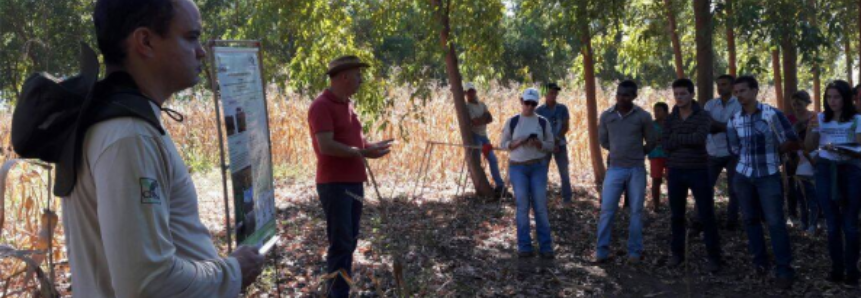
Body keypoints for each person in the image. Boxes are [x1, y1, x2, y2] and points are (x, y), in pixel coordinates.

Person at [61, 1, 266, 297]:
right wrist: (233, 271)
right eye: (191, 37)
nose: (201, 51)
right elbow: (147, 283)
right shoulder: (129, 136)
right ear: (145, 41)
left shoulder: (119, 120)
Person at [308, 56, 393, 298]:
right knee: (341, 243)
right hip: (335, 184)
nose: (361, 79)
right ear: (343, 76)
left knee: (350, 240)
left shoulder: (347, 104)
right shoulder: (321, 106)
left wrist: (370, 148)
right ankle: (336, 293)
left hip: (354, 182)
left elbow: (354, 142)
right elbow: (326, 145)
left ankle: (340, 290)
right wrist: (361, 152)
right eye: (357, 74)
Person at [727, 76, 800, 289]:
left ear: (755, 91)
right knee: (750, 220)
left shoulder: (771, 114)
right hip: (743, 175)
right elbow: (733, 146)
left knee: (775, 222)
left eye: (743, 91)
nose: (739, 95)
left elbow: (791, 138)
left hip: (768, 174)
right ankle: (759, 262)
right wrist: (745, 160)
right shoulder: (735, 118)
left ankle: (784, 268)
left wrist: (775, 153)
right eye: (736, 92)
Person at [805, 80, 861, 286]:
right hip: (826, 171)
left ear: (846, 98)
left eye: (836, 97)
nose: (832, 101)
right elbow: (809, 146)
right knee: (832, 224)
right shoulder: (820, 118)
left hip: (850, 170)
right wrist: (812, 130)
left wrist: (842, 148)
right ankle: (836, 268)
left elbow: (858, 143)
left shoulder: (856, 119)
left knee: (850, 224)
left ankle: (852, 270)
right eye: (829, 97)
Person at [663, 78, 722, 272]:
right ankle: (677, 254)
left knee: (706, 214)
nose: (679, 98)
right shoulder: (670, 118)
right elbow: (665, 143)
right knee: (676, 216)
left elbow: (698, 139)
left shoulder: (704, 116)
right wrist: (681, 140)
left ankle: (714, 257)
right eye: (676, 94)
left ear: (691, 94)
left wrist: (677, 138)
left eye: (683, 94)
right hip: (676, 171)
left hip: (699, 170)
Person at [595, 80, 656, 263]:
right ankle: (601, 251)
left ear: (634, 96)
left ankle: (634, 251)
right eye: (619, 94)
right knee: (607, 210)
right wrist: (617, 152)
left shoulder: (643, 117)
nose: (622, 98)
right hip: (615, 169)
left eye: (626, 95)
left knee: (636, 211)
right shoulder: (607, 116)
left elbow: (652, 141)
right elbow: (603, 141)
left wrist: (639, 153)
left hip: (636, 169)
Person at [500, 88, 556, 259]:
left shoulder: (543, 122)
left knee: (540, 207)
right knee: (522, 206)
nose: (530, 107)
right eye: (527, 103)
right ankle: (524, 246)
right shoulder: (512, 121)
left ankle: (545, 246)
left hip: (538, 166)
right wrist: (518, 142)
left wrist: (540, 144)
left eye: (533, 104)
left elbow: (551, 144)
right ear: (521, 101)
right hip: (518, 167)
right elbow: (503, 144)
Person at [703, 74, 742, 231]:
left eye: (724, 84)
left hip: (733, 152)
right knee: (705, 187)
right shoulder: (710, 104)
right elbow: (706, 125)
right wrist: (725, 127)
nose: (720, 87)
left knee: (734, 189)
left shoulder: (739, 105)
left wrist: (718, 126)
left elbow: (737, 127)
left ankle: (732, 221)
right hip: (712, 151)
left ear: (732, 86)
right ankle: (704, 219)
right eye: (718, 84)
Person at [787, 91, 819, 234]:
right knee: (796, 192)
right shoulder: (789, 118)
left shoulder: (814, 117)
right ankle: (800, 219)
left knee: (811, 192)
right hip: (793, 158)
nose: (796, 107)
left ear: (807, 103)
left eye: (799, 104)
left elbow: (818, 138)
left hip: (810, 158)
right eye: (794, 104)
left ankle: (814, 222)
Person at [465, 82, 506, 193]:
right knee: (477, 162)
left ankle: (500, 185)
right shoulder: (467, 107)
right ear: (465, 93)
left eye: (472, 91)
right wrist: (484, 117)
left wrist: (481, 119)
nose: (471, 93)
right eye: (469, 92)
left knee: (493, 159)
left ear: (475, 91)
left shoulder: (482, 104)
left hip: (484, 137)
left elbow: (490, 118)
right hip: (475, 136)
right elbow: (476, 121)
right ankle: (480, 187)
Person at [536, 83, 573, 203]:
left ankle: (567, 198)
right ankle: (541, 197)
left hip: (560, 145)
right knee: (542, 172)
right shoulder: (539, 111)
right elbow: (538, 129)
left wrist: (557, 139)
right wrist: (549, 143)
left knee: (564, 172)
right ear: (545, 94)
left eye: (555, 93)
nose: (554, 95)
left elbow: (566, 126)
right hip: (545, 146)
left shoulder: (562, 108)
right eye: (551, 92)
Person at [648, 102, 669, 212]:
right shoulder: (651, 125)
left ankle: (674, 204)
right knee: (656, 180)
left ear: (666, 112)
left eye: (659, 111)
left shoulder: (672, 124)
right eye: (655, 110)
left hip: (670, 155)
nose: (656, 113)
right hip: (655, 154)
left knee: (672, 179)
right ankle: (656, 205)